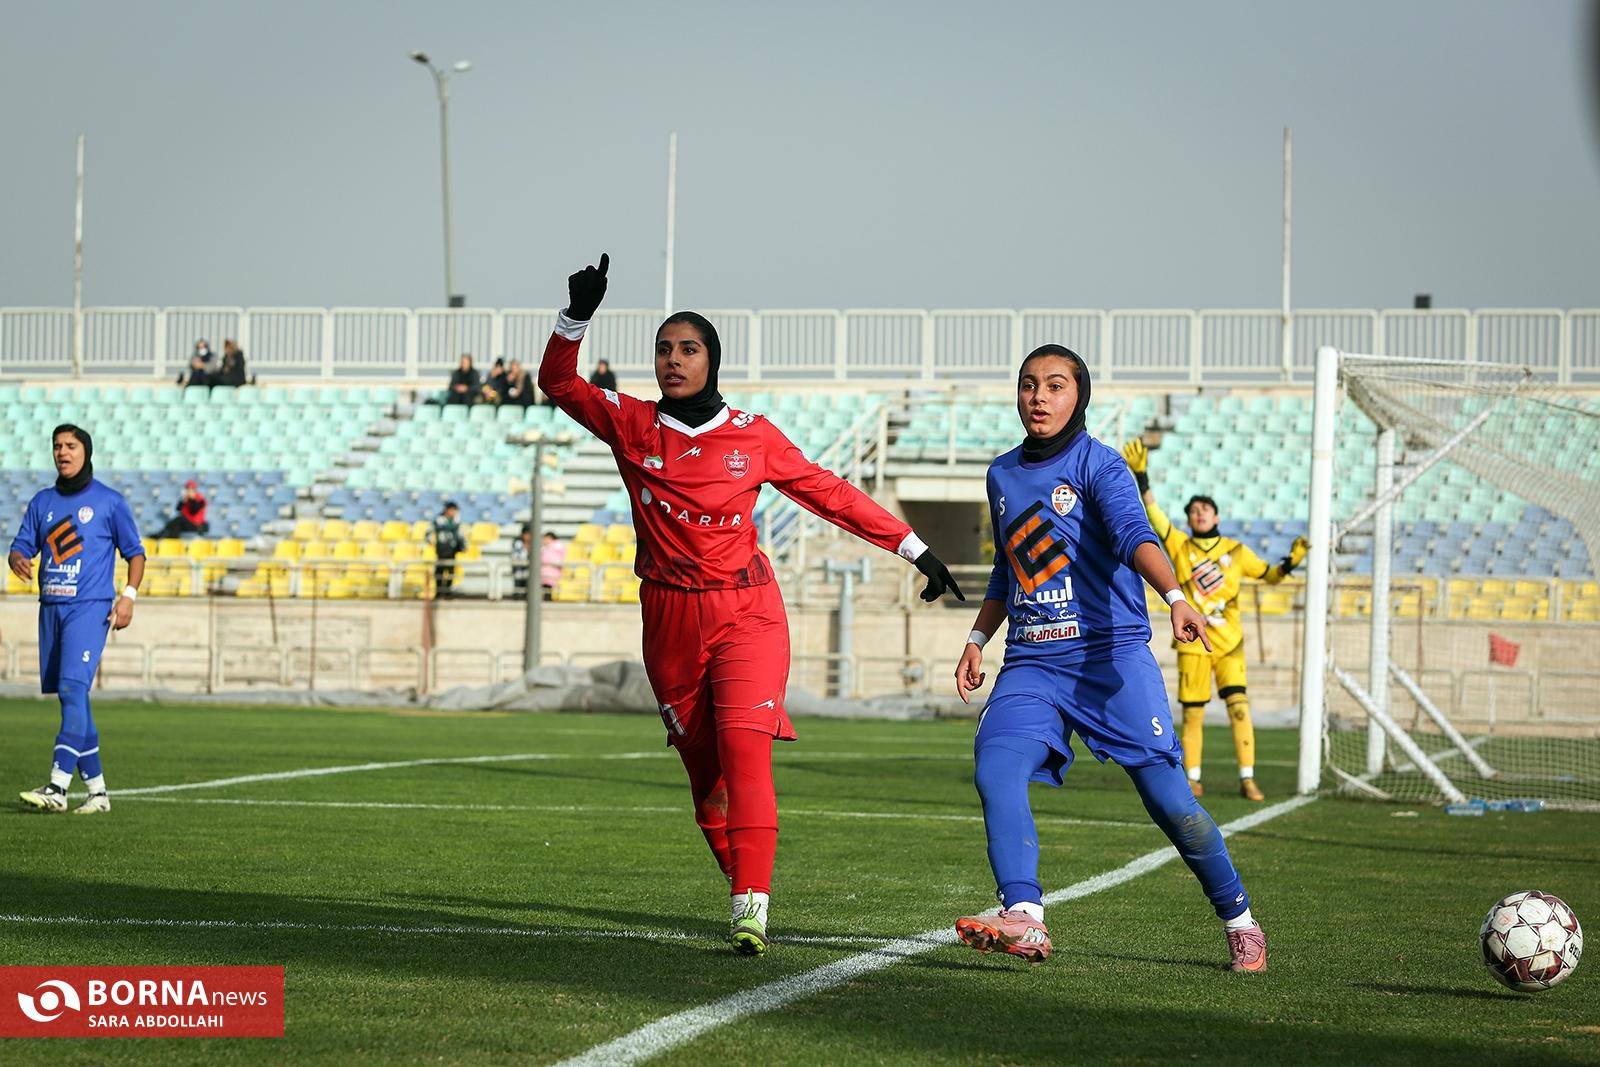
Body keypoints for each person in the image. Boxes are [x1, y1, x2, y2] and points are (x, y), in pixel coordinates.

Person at [538, 254, 963, 955]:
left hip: (747, 613)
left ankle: (750, 908)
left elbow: (828, 492)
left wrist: (915, 548)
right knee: (707, 783)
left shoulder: (752, 434)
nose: (673, 360)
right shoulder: (630, 422)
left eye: (688, 348)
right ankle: (743, 882)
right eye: (664, 349)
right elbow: (558, 382)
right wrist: (575, 317)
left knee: (745, 752)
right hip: (669, 618)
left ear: (712, 360)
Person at [950, 346, 1266, 973]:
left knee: (1172, 803)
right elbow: (1008, 567)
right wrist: (977, 638)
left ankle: (1240, 920)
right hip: (1032, 663)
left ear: (1080, 397)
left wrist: (1174, 596)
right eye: (1029, 385)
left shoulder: (1101, 464)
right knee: (995, 766)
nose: (1039, 397)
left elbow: (1134, 535)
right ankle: (1024, 914)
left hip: (1110, 658)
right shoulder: (1001, 474)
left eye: (1055, 386)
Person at [1121, 438, 1308, 802]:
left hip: (1230, 645)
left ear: (1217, 517)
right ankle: (1192, 778)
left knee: (1239, 708)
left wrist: (1291, 562)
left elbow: (1269, 575)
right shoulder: (1180, 545)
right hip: (1193, 644)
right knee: (1193, 714)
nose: (1199, 513)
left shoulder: (1236, 551)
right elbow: (1155, 519)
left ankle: (1248, 778)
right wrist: (1142, 478)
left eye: (1205, 508)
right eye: (1193, 510)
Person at [8, 425, 145, 815]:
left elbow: (136, 553)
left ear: (86, 452)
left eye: (70, 446)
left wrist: (128, 597)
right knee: (74, 698)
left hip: (90, 608)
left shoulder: (109, 502)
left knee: (71, 688)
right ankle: (98, 793)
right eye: (57, 446)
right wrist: (16, 557)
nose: (62, 452)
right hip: (51, 608)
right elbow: (22, 543)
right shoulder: (42, 501)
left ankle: (58, 786)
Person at [432, 501, 465, 596]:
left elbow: (459, 535)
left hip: (452, 549)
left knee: (450, 571)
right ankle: (439, 591)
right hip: (442, 549)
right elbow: (431, 532)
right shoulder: (439, 520)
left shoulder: (456, 521)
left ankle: (447, 591)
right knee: (440, 571)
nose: (454, 512)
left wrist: (462, 545)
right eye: (453, 510)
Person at [539, 530, 565, 601]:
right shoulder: (546, 548)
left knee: (548, 590)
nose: (544, 541)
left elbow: (555, 560)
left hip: (551, 573)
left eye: (546, 539)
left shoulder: (556, 548)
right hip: (547, 573)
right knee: (546, 590)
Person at [510, 525, 532, 597]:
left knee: (528, 589)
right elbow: (519, 556)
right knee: (518, 588)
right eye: (526, 534)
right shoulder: (518, 542)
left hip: (528, 571)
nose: (528, 536)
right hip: (519, 570)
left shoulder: (533, 543)